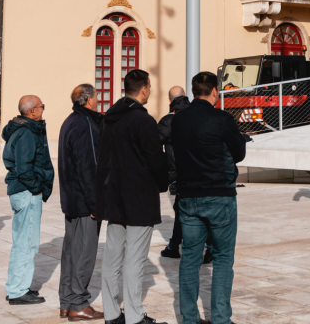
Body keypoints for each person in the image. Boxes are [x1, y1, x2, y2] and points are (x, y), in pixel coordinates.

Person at [171, 71, 247, 324]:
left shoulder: (178, 119)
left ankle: (190, 319)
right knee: (224, 259)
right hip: (219, 195)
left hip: (188, 196)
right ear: (215, 91)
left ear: (194, 91)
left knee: (190, 258)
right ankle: (220, 319)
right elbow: (239, 153)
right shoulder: (222, 118)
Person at [95, 69, 169, 324]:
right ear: (144, 88)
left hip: (114, 195)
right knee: (134, 259)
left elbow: (102, 160)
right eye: (150, 86)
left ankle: (112, 312)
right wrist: (163, 183)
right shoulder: (142, 120)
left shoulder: (110, 117)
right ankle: (135, 317)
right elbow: (155, 159)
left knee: (113, 257)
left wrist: (100, 196)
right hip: (138, 197)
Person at [57, 85, 104, 321]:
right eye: (96, 97)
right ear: (88, 100)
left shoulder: (70, 121)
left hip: (72, 199)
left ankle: (67, 302)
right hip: (84, 202)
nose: (98, 101)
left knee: (72, 253)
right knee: (84, 253)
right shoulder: (85, 124)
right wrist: (96, 205)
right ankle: (78, 304)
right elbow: (89, 168)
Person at [3, 95, 54, 306]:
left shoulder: (25, 129)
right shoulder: (26, 132)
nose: (43, 109)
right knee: (26, 244)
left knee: (24, 242)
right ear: (32, 111)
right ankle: (17, 291)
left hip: (23, 191)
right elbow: (25, 169)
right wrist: (36, 188)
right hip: (26, 192)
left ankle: (19, 285)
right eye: (42, 106)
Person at [159, 85, 211, 264]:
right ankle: (175, 245)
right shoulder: (198, 115)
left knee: (184, 210)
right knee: (191, 209)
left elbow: (153, 143)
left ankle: (204, 245)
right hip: (202, 171)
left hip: (181, 173)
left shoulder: (169, 120)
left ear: (169, 100)